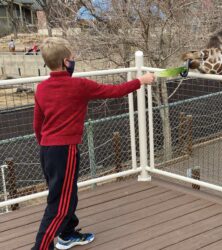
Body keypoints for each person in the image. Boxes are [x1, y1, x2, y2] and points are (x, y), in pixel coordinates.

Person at [32, 37, 155, 250]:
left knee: (65, 193)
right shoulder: (79, 85)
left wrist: (46, 145)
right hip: (65, 150)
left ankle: (67, 234)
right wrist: (141, 81)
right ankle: (41, 247)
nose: (73, 61)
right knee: (59, 205)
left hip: (47, 150)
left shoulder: (41, 88)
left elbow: (37, 124)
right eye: (71, 59)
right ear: (64, 62)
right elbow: (115, 91)